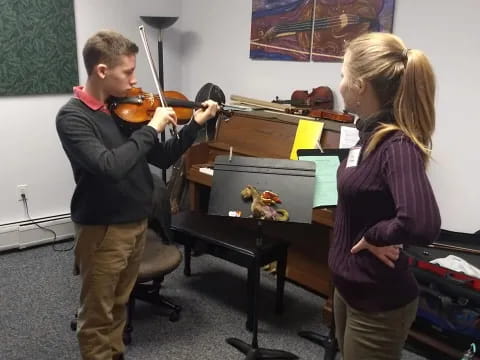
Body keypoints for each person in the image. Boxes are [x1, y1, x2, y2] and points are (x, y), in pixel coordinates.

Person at [56, 30, 219, 360]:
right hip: (102, 228)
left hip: (135, 224)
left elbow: (161, 157)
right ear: (102, 71)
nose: (134, 80)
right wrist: (151, 128)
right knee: (97, 315)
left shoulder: (122, 109)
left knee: (119, 305)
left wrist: (193, 126)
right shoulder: (73, 117)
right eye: (128, 72)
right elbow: (110, 165)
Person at [329, 32, 441, 360]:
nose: (339, 84)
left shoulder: (397, 146)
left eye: (342, 75)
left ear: (360, 85)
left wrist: (375, 234)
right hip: (348, 288)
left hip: (376, 301)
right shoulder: (366, 134)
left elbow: (422, 223)